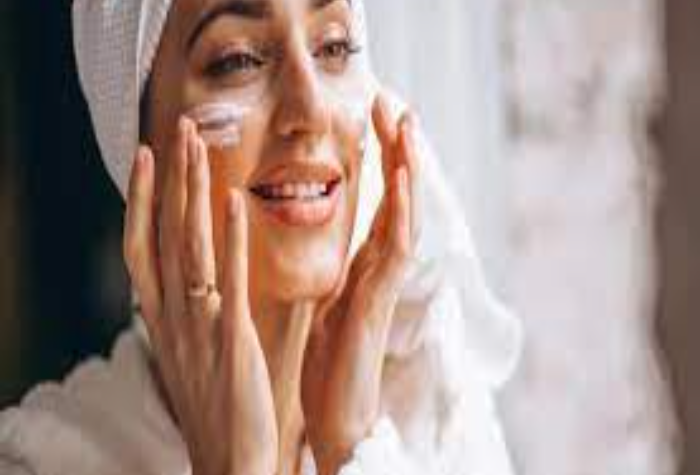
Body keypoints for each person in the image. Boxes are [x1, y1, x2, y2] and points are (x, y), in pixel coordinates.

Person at [0, 0, 522, 474]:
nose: (311, 111)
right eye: (238, 59)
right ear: (137, 151)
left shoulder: (440, 425)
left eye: (334, 47)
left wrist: (352, 450)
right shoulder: (41, 461)